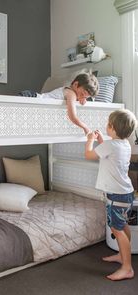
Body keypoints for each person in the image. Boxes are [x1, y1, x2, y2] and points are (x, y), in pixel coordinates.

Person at [85, 109, 137, 281]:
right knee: (123, 226)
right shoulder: (123, 144)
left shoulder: (111, 146)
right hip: (126, 194)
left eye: (108, 124)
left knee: (117, 229)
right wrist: (101, 140)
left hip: (117, 196)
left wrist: (90, 140)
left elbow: (89, 154)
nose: (106, 126)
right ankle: (123, 257)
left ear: (113, 128)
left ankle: (127, 268)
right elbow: (109, 156)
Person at [20, 71, 99, 135]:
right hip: (31, 98)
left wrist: (81, 98)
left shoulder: (69, 92)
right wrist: (85, 127)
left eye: (85, 97)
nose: (82, 98)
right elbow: (72, 116)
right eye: (82, 94)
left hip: (33, 98)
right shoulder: (71, 94)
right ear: (75, 84)